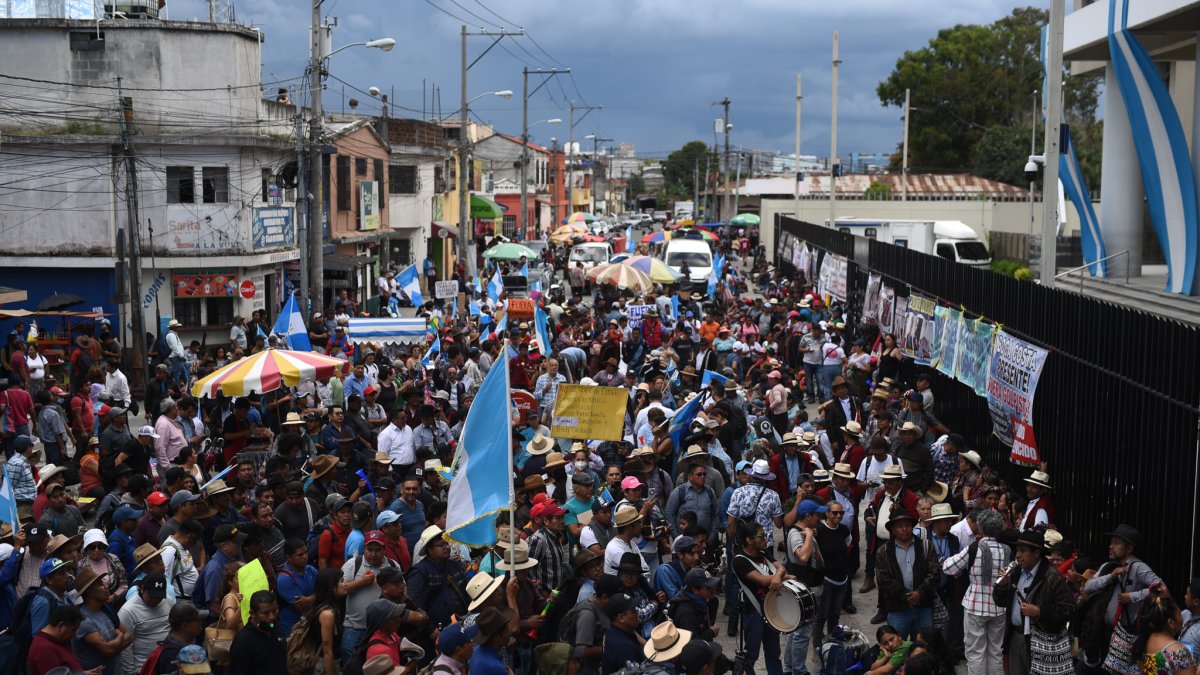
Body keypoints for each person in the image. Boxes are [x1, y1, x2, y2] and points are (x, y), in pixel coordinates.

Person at [1082, 524, 1164, 674]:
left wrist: (1132, 597)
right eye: (1111, 542)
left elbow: (1161, 589)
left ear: (1129, 548)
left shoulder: (1139, 567)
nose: (1111, 546)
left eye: (1116, 543)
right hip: (1101, 633)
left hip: (1124, 637)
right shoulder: (1107, 566)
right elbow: (1088, 586)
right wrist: (1110, 576)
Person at [993, 530, 1076, 675]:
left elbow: (1069, 610)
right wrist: (1003, 585)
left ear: (1037, 553)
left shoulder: (1052, 577)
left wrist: (1040, 612)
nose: (1018, 555)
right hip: (1015, 637)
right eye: (1017, 550)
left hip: (1039, 642)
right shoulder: (1016, 572)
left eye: (1023, 551)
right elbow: (999, 601)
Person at [940, 508, 1009, 674]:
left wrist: (944, 560)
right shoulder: (1007, 550)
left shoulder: (974, 548)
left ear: (980, 526)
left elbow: (949, 568)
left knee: (975, 652)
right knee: (995, 652)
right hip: (998, 607)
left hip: (974, 605)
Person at [732, 519, 790, 675]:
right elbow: (763, 580)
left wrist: (779, 576)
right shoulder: (740, 560)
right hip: (753, 613)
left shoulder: (763, 553)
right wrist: (780, 577)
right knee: (751, 655)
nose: (766, 539)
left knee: (774, 654)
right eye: (762, 536)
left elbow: (780, 567)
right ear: (749, 540)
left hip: (771, 611)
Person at [876, 511, 939, 641]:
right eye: (900, 526)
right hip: (897, 609)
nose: (904, 529)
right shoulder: (884, 551)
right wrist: (905, 595)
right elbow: (883, 579)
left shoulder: (926, 546)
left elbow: (934, 573)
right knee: (897, 647)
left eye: (907, 525)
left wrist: (919, 593)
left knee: (923, 647)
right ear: (893, 530)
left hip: (923, 607)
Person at [785, 499, 827, 675]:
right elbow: (802, 557)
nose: (820, 517)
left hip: (809, 589)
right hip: (805, 591)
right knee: (801, 635)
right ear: (807, 516)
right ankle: (799, 671)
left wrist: (810, 534)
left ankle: (789, 667)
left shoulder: (802, 531)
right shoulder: (796, 534)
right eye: (816, 515)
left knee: (795, 631)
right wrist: (809, 536)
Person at [73, 567, 132, 673]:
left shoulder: (106, 609)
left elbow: (129, 637)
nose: (106, 586)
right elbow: (107, 651)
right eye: (100, 584)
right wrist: (119, 636)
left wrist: (113, 644)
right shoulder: (83, 620)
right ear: (90, 593)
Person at [118, 572, 173, 675]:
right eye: (152, 596)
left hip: (166, 662)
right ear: (142, 589)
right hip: (143, 667)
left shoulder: (167, 601)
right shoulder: (128, 611)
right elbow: (125, 647)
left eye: (159, 597)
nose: (155, 600)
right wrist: (130, 672)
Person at [1130, 592, 1198, 675]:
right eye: (1180, 614)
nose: (1182, 617)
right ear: (1171, 623)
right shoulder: (1179, 654)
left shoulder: (1143, 639)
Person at [228, 590, 288, 675]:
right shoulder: (243, 641)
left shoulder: (276, 627)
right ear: (252, 614)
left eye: (274, 611)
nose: (271, 617)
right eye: (266, 613)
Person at [27, 605, 88, 675]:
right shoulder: (44, 649)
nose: (74, 634)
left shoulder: (58, 640)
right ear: (61, 625)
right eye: (73, 630)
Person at [603, 592, 644, 674]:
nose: (637, 613)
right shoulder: (625, 647)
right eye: (633, 612)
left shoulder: (612, 630)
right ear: (621, 618)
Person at [470, 605, 516, 675]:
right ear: (497, 637)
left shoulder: (477, 650)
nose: (510, 632)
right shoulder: (495, 667)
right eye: (507, 629)